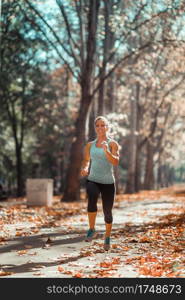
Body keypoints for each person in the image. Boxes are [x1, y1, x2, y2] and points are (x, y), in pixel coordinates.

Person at [81, 116, 120, 251]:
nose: (100, 128)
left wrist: (106, 151)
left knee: (107, 211)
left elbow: (115, 162)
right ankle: (92, 229)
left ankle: (107, 237)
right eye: (97, 125)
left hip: (108, 182)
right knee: (91, 197)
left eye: (103, 125)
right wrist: (85, 168)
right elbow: (86, 160)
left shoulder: (112, 144)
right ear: (95, 128)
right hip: (93, 179)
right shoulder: (89, 145)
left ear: (107, 127)